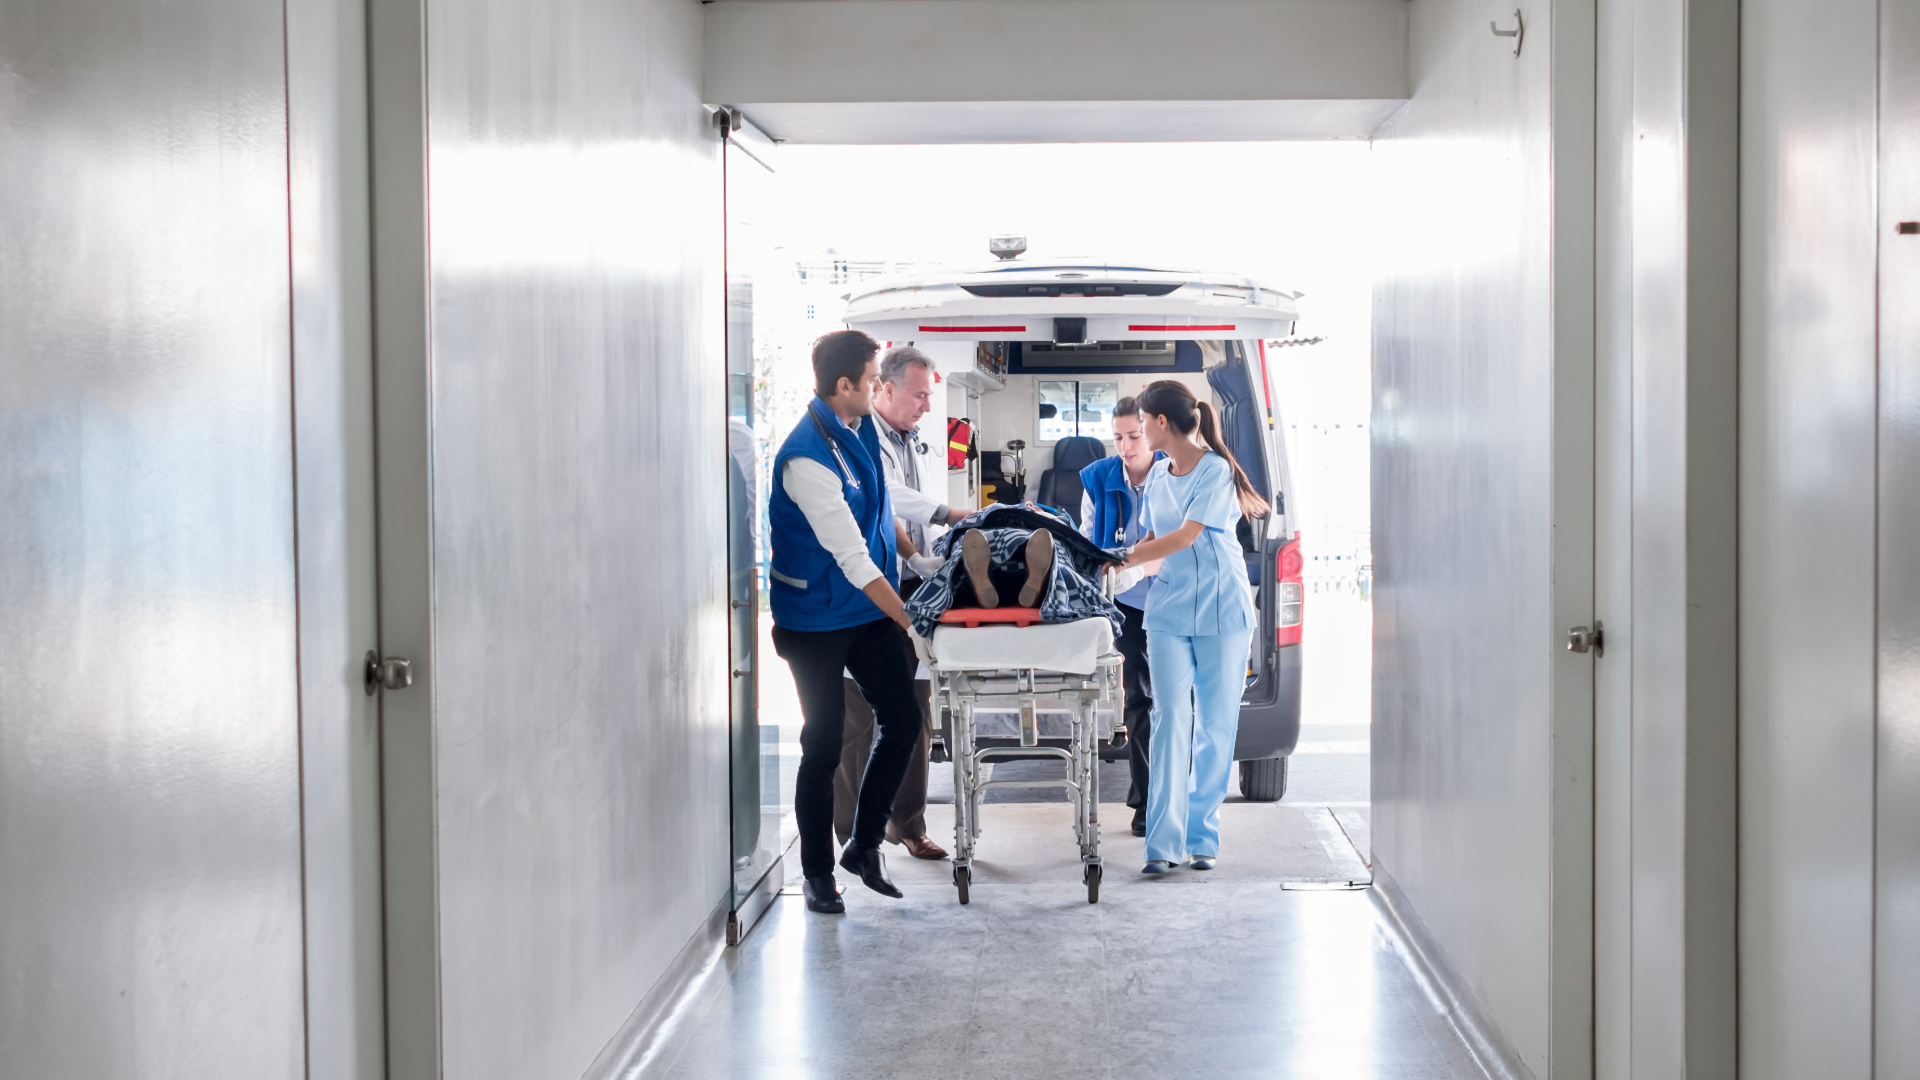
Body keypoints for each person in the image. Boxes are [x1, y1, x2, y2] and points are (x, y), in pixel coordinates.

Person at [768, 330, 923, 913]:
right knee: (824, 741)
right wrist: (911, 622)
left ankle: (863, 843)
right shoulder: (806, 457)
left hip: (859, 610)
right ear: (844, 386)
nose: (879, 386)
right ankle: (816, 873)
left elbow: (879, 515)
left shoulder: (855, 435)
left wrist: (919, 562)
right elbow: (851, 555)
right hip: (813, 621)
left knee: (903, 718)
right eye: (872, 379)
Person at [1109, 379, 1269, 874]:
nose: (1136, 432)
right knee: (1169, 720)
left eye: (1142, 422)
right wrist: (1117, 565)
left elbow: (1184, 537)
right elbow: (1156, 535)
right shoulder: (1158, 476)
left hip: (1222, 610)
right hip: (1169, 613)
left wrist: (1124, 556)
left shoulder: (1216, 471)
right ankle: (1161, 843)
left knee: (1216, 727)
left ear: (1159, 422)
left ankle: (1202, 836)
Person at [833, 346, 962, 862]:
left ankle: (908, 824)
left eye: (930, 395)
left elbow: (900, 512)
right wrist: (946, 516)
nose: (928, 406)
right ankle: (850, 836)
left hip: (912, 589)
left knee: (916, 707)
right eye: (920, 395)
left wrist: (926, 563)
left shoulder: (912, 441)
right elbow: (882, 501)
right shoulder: (859, 437)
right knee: (857, 713)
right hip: (868, 589)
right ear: (885, 388)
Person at [1077, 397, 1162, 837]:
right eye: (1118, 438)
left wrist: (1138, 567)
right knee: (1140, 700)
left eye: (1134, 436)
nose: (1126, 447)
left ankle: (1161, 795)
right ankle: (1146, 801)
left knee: (1170, 702)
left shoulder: (1174, 472)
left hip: (1169, 601)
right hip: (1126, 606)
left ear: (1150, 431)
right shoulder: (1097, 479)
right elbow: (1090, 547)